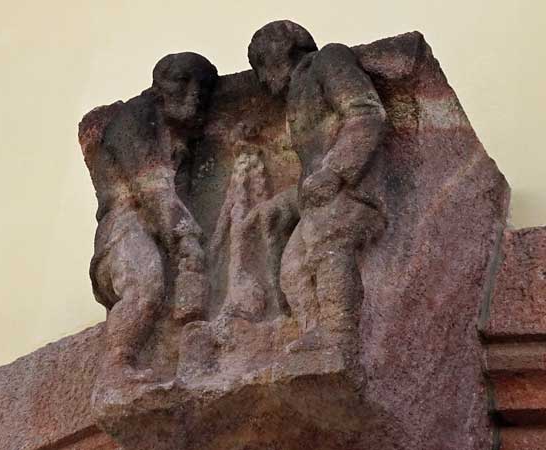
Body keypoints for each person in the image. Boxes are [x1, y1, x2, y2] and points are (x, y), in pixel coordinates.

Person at [79, 52, 218, 385]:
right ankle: (118, 365)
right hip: (126, 225)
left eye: (203, 86)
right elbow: (151, 188)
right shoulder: (136, 118)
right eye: (183, 81)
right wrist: (185, 237)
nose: (194, 93)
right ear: (159, 84)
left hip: (152, 228)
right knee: (144, 284)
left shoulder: (176, 135)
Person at [248, 20, 387, 352]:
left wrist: (336, 172)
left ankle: (340, 335)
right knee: (293, 269)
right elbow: (311, 168)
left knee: (329, 247)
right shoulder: (296, 96)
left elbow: (366, 114)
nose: (263, 80)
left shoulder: (328, 60)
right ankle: (314, 333)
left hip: (353, 192)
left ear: (280, 53)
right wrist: (287, 202)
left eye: (262, 66)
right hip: (321, 202)